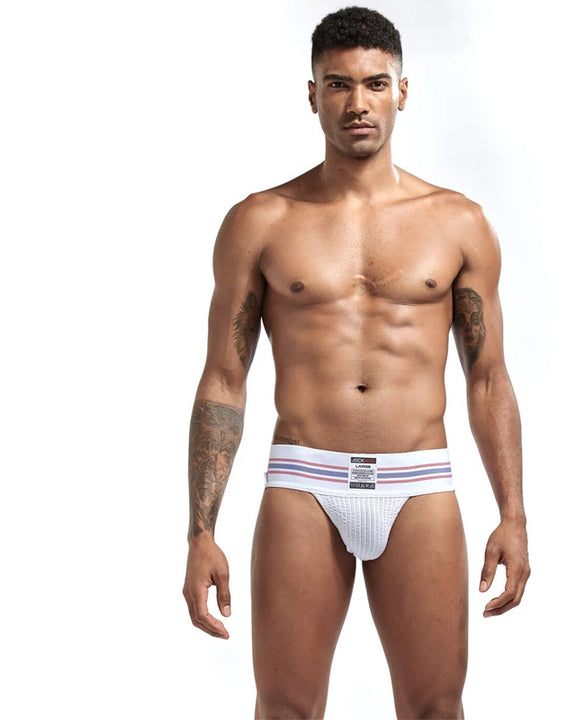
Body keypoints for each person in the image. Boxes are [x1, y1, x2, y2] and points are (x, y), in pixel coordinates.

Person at [182, 6, 530, 719]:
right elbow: (224, 378)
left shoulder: (458, 222)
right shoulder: (261, 221)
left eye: (375, 83)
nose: (358, 103)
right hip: (303, 483)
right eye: (338, 84)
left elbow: (488, 375)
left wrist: (513, 514)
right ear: (312, 95)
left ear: (402, 92)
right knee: (284, 708)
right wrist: (200, 532)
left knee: (436, 708)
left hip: (418, 483)